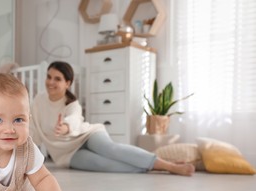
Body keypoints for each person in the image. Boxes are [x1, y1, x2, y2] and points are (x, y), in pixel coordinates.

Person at [30, 61, 195, 176]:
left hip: (87, 135)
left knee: (111, 150)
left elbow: (74, 119)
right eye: (49, 77)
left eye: (57, 79)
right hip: (66, 153)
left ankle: (169, 166)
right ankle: (155, 167)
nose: (50, 82)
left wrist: (65, 127)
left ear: (68, 83)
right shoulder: (38, 101)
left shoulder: (72, 103)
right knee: (105, 165)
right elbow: (33, 130)